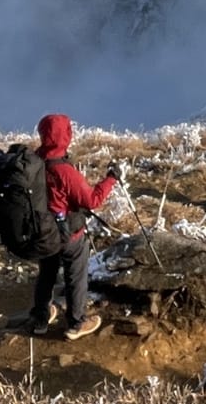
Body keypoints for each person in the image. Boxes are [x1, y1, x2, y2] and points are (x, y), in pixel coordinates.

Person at [29, 112, 122, 340]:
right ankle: (76, 323)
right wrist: (111, 179)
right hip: (67, 234)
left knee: (47, 273)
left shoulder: (32, 163)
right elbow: (92, 201)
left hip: (42, 232)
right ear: (66, 135)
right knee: (76, 276)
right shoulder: (64, 170)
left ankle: (41, 318)